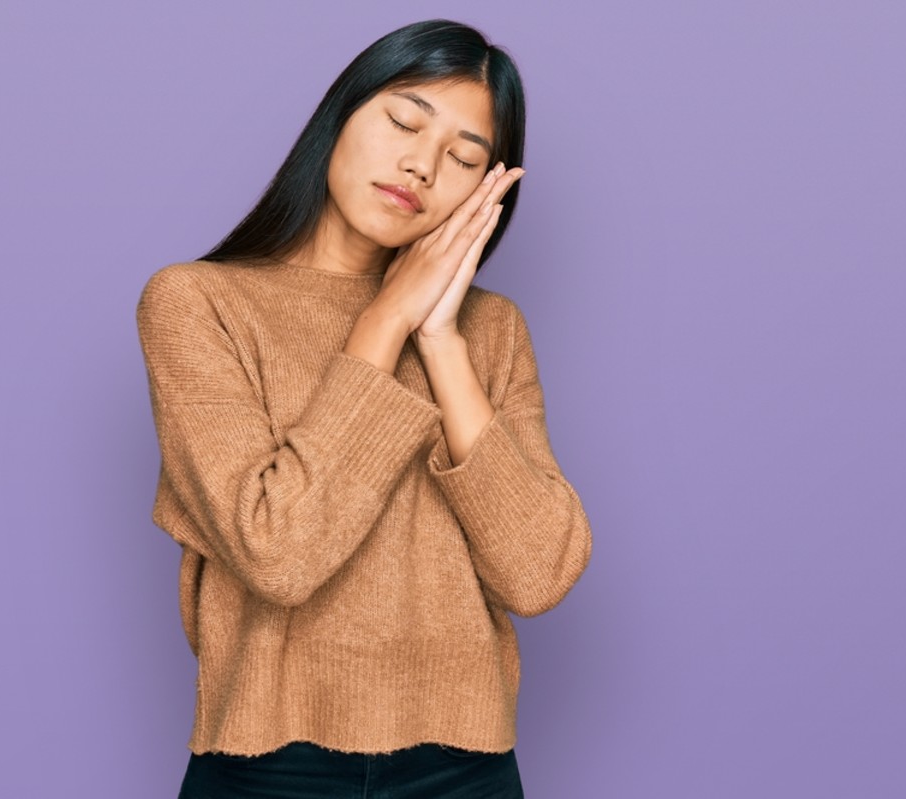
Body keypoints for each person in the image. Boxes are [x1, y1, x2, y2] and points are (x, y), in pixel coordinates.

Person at [135, 18, 592, 799]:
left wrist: (441, 336)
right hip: (269, 763)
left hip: (468, 766)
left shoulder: (493, 330)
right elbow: (279, 552)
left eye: (464, 157)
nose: (421, 165)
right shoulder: (196, 302)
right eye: (405, 121)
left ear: (488, 188)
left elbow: (538, 572)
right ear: (338, 116)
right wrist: (383, 322)